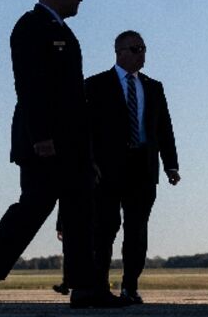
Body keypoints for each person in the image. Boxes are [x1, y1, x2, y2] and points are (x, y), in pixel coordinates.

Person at [0, 0, 125, 309]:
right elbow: (30, 86)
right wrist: (41, 136)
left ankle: (85, 289)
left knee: (82, 212)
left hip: (72, 143)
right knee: (35, 207)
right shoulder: (31, 27)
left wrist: (88, 152)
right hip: (45, 142)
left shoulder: (60, 30)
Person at [86, 31, 181, 305]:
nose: (142, 54)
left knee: (137, 230)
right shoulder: (95, 85)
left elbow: (164, 128)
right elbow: (86, 129)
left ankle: (130, 285)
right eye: (136, 49)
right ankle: (99, 286)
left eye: (144, 49)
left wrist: (171, 164)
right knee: (104, 228)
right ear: (119, 52)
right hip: (106, 169)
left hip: (142, 166)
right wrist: (88, 162)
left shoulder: (153, 87)